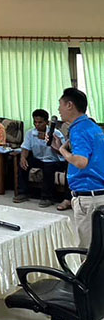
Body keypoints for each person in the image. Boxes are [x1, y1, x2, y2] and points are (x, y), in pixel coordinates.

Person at [54, 88, 104, 247]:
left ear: (69, 105)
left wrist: (62, 151)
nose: (59, 110)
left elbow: (81, 162)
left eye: (60, 105)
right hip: (99, 191)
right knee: (99, 245)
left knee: (88, 248)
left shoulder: (78, 130)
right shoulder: (93, 127)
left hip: (88, 197)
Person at [12, 109, 66, 207]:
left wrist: (51, 142)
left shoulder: (55, 133)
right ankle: (23, 193)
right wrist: (23, 158)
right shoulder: (30, 133)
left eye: (40, 122)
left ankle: (47, 197)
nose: (37, 125)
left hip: (54, 160)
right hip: (39, 159)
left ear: (46, 122)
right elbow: (25, 148)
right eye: (35, 122)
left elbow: (62, 152)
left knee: (48, 167)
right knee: (23, 164)